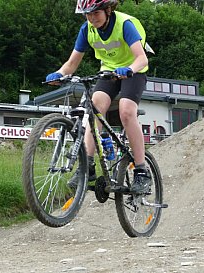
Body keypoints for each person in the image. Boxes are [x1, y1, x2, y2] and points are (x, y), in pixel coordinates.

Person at [45, 0, 151, 194]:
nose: (92, 18)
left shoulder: (124, 24)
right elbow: (72, 63)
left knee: (126, 111)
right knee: (94, 107)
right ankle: (88, 166)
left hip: (133, 70)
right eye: (87, 14)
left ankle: (142, 170)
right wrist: (60, 73)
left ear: (108, 9)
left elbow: (142, 58)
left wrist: (128, 70)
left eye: (96, 13)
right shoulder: (87, 30)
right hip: (109, 71)